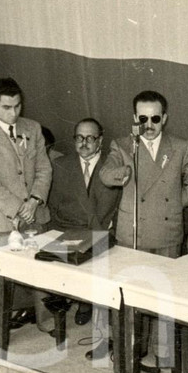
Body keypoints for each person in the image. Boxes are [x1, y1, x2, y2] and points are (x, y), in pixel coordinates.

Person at [99, 90, 188, 371]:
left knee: (164, 295)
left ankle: (163, 355)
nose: (149, 124)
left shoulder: (181, 147)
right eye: (143, 118)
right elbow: (106, 174)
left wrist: (171, 204)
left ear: (165, 118)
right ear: (135, 118)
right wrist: (118, 174)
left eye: (155, 118)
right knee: (130, 295)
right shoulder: (123, 145)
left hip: (167, 231)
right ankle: (130, 349)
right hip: (132, 231)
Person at [0, 77, 53, 347]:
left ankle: (46, 320)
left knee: (41, 271)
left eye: (17, 106)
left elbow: (44, 169)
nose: (13, 113)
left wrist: (35, 201)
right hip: (1, 220)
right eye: (6, 107)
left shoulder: (33, 128)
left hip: (35, 213)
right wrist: (18, 208)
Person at [45, 118, 120, 346]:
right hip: (69, 231)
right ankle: (73, 303)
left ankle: (88, 304)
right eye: (79, 138)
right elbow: (54, 206)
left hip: (104, 234)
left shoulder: (113, 166)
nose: (84, 143)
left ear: (100, 140)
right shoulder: (61, 165)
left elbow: (120, 206)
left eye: (90, 138)